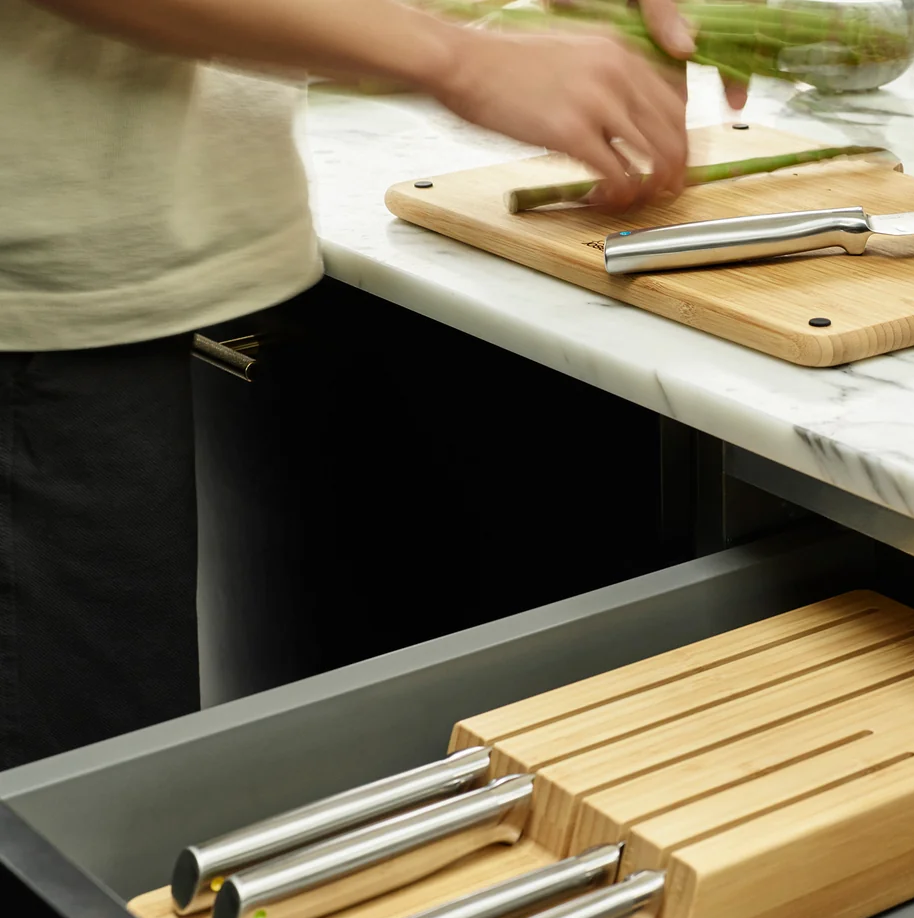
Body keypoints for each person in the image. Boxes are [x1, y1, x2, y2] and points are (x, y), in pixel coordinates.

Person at [0, 0, 724, 770]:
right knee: (82, 795)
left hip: (113, 269)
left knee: (118, 773)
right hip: (39, 318)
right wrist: (457, 58)